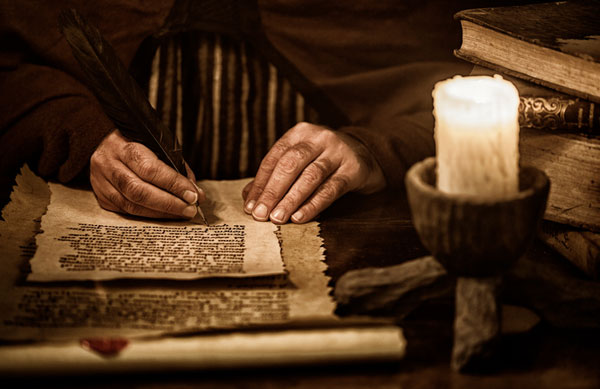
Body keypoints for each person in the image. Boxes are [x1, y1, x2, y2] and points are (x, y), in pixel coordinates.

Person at [1, 0, 505, 223]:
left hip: (359, 227)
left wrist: (378, 150)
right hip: (79, 217)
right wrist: (81, 133)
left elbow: (492, 91)